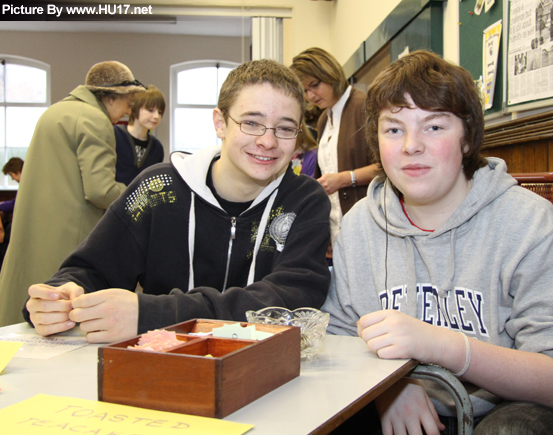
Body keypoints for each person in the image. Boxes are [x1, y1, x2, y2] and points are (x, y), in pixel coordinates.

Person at [322, 50, 553, 434]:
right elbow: (337, 343)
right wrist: (388, 388)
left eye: (434, 127)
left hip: (513, 411)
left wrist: (442, 346)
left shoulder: (528, 222)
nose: (411, 146)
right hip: (404, 411)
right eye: (393, 129)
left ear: (467, 139)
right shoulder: (358, 228)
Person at [24, 59, 331, 344]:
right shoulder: (158, 189)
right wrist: (57, 298)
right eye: (251, 122)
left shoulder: (304, 200)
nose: (268, 141)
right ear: (220, 123)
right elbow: (91, 270)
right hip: (162, 373)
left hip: (267, 378)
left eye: (286, 128)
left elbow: (291, 298)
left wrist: (152, 315)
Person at [0, 61, 145, 327]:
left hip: (34, 229)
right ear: (111, 96)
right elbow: (100, 191)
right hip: (68, 234)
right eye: (128, 102)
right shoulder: (95, 120)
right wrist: (137, 195)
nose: (128, 110)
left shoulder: (55, 112)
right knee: (57, 315)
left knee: (24, 310)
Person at [290, 47, 379, 248]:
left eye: (315, 85)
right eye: (305, 91)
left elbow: (388, 167)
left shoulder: (364, 106)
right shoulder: (324, 119)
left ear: (331, 74)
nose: (311, 96)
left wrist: (345, 179)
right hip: (337, 227)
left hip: (368, 226)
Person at [114, 85, 166, 185]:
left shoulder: (157, 148)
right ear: (135, 108)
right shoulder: (115, 135)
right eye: (150, 110)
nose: (156, 116)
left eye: (160, 112)